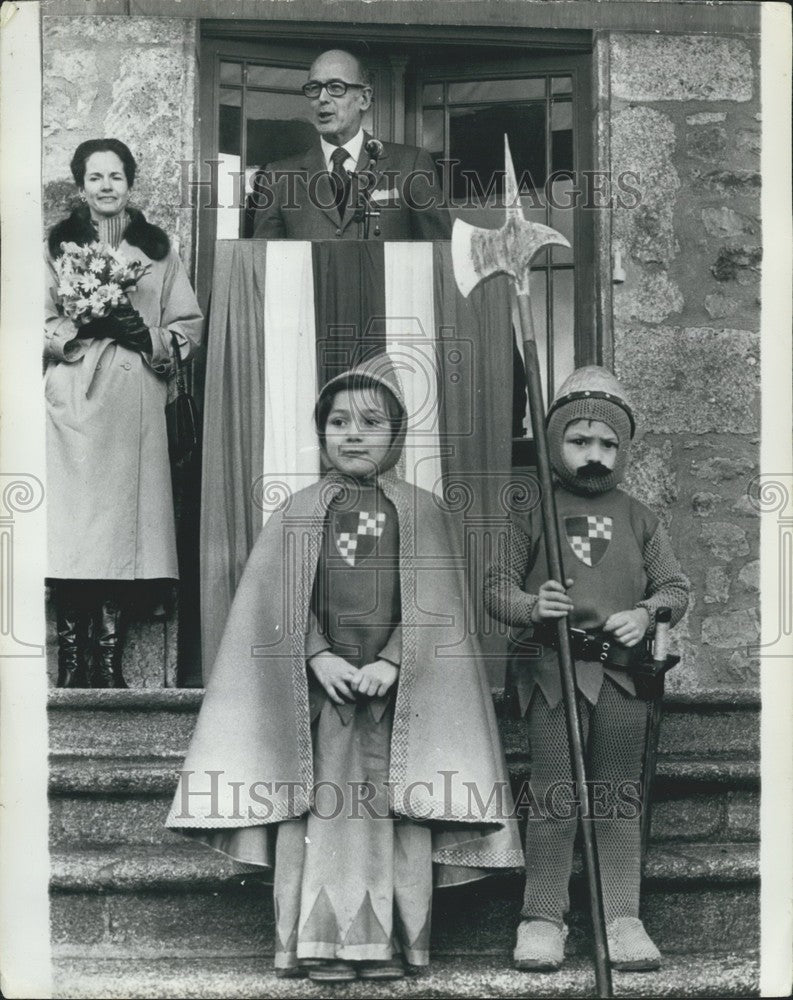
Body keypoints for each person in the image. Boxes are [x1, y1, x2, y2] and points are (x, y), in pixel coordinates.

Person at [166, 357, 523, 982]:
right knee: (322, 820)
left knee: (399, 817)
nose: (352, 433)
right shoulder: (300, 510)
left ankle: (388, 946)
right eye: (337, 421)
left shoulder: (423, 512)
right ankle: (318, 945)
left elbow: (435, 603)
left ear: (398, 435)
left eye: (370, 421)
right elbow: (274, 601)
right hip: (320, 700)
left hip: (399, 702)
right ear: (320, 430)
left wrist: (392, 660)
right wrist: (315, 654)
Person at [484, 366, 690, 973]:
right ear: (555, 444)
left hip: (625, 678)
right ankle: (543, 918)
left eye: (607, 443)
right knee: (554, 797)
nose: (593, 455)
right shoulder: (530, 511)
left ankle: (621, 916)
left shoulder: (641, 517)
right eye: (579, 441)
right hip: (556, 672)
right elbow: (495, 587)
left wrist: (647, 613)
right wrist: (531, 605)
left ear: (622, 450)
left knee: (617, 797)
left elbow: (675, 586)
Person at [45, 138, 203, 688]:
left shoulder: (158, 249)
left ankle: (108, 662)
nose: (106, 186)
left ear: (130, 183)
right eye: (95, 177)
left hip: (135, 399)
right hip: (75, 396)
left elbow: (188, 325)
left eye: (116, 176)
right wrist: (81, 329)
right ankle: (71, 662)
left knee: (119, 532)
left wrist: (145, 335)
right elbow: (34, 320)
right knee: (73, 529)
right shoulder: (57, 246)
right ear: (81, 186)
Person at [252, 49, 451, 240]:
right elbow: (265, 262)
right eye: (314, 88)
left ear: (364, 99)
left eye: (336, 88)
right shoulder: (277, 177)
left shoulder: (411, 165)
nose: (322, 98)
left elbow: (438, 256)